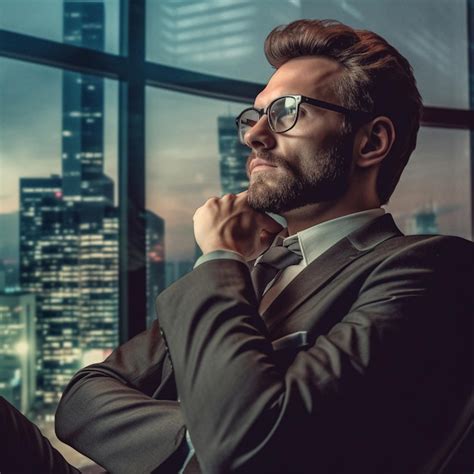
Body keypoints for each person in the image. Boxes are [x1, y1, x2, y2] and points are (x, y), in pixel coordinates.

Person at [53, 19, 473, 474]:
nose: (253, 136)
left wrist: (217, 258)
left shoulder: (430, 269)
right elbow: (81, 399)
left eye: (287, 111)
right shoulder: (250, 271)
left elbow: (253, 443)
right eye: (256, 116)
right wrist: (201, 437)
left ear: (371, 142)